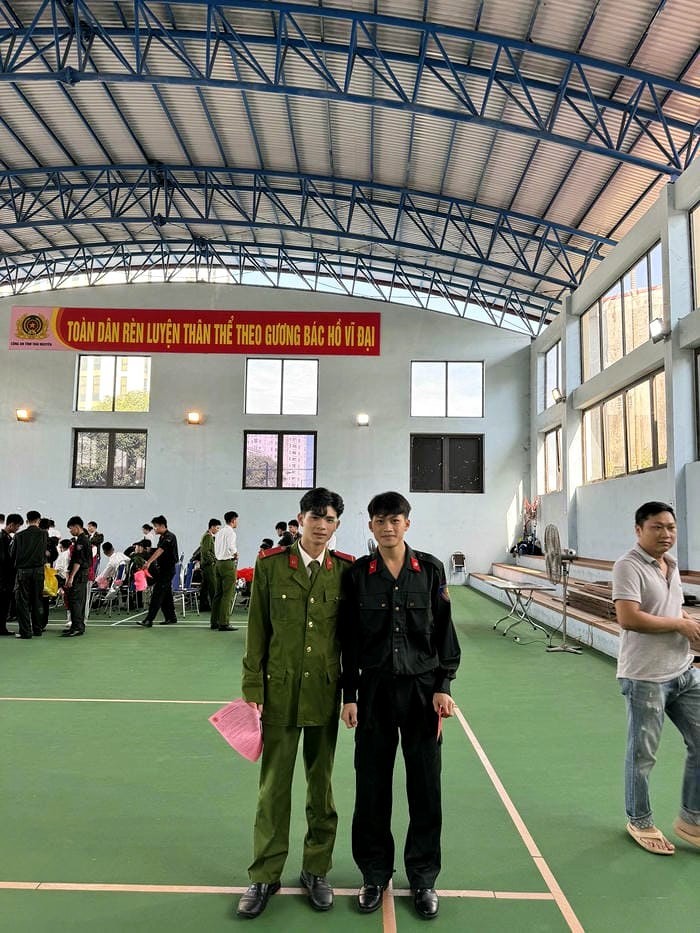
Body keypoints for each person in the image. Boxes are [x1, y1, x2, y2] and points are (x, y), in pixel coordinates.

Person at [340, 491, 461, 920]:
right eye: (380, 520)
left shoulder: (430, 569)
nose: (388, 527)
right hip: (373, 692)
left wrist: (444, 685)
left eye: (395, 520)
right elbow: (349, 640)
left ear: (407, 523)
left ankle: (423, 877)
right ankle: (374, 874)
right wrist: (349, 695)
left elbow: (444, 632)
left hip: (422, 693)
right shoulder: (358, 574)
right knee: (371, 786)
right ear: (370, 525)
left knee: (425, 787)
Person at [236, 488, 355, 920]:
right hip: (279, 694)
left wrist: (351, 694)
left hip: (324, 692)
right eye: (315, 517)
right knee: (273, 789)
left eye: (330, 519)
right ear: (300, 519)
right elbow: (257, 632)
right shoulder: (270, 567)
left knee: (321, 788)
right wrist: (253, 690)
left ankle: (315, 870)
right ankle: (264, 875)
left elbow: (351, 641)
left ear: (337, 525)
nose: (322, 526)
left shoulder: (345, 571)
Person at [612, 501, 700, 855]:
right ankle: (640, 820)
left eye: (671, 527)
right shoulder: (628, 566)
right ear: (639, 530)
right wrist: (678, 623)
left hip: (683, 671)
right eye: (657, 527)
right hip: (646, 677)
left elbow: (670, 608)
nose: (666, 534)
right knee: (643, 755)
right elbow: (628, 618)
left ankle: (691, 819)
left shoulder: (671, 565)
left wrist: (688, 624)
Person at [11, 510, 48, 639]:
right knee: (37, 600)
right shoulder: (44, 534)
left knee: (22, 602)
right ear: (39, 520)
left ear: (27, 521)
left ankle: (25, 631)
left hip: (23, 571)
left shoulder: (19, 535)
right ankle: (37, 629)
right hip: (39, 571)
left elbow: (12, 553)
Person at [138, 516, 178, 626]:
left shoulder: (170, 537)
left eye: (155, 526)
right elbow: (157, 550)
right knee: (166, 595)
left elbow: (160, 550)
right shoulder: (162, 538)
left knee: (157, 594)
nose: (154, 529)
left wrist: (149, 562)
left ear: (162, 526)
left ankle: (149, 620)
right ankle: (171, 617)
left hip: (168, 570)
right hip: (162, 569)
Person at [62, 516, 91, 638]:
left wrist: (71, 577)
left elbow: (78, 561)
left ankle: (77, 627)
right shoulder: (83, 540)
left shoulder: (81, 541)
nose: (70, 531)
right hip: (82, 574)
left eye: (70, 528)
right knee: (79, 601)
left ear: (76, 527)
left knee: (76, 601)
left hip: (79, 574)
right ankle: (78, 626)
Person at [210, 511, 238, 632]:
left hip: (218, 563)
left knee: (218, 594)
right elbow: (231, 547)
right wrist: (236, 554)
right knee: (228, 594)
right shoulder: (231, 532)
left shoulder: (219, 532)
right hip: (227, 564)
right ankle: (224, 623)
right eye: (236, 520)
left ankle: (214, 621)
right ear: (233, 520)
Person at [0, 514, 22, 636]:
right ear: (11, 524)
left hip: (6, 576)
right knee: (3, 603)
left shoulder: (8, 537)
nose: (18, 529)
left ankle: (2, 627)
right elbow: (3, 559)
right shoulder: (2, 538)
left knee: (5, 603)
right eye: (17, 526)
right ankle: (1, 628)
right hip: (4, 577)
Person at [198, 519, 221, 615]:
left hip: (206, 565)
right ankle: (215, 607)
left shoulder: (207, 536)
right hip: (208, 565)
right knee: (213, 586)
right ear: (212, 527)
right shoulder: (208, 537)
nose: (218, 530)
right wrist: (213, 561)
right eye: (217, 528)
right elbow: (205, 551)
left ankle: (204, 605)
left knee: (205, 587)